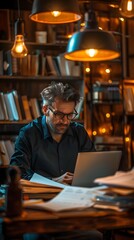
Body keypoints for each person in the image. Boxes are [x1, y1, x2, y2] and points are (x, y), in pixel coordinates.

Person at [10, 82, 103, 240]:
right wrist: (52, 182)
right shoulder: (28, 134)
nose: (65, 121)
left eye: (70, 114)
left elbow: (92, 169)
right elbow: (18, 175)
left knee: (95, 237)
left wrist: (82, 178)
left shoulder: (79, 132)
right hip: (39, 211)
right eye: (60, 114)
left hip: (74, 208)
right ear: (46, 109)